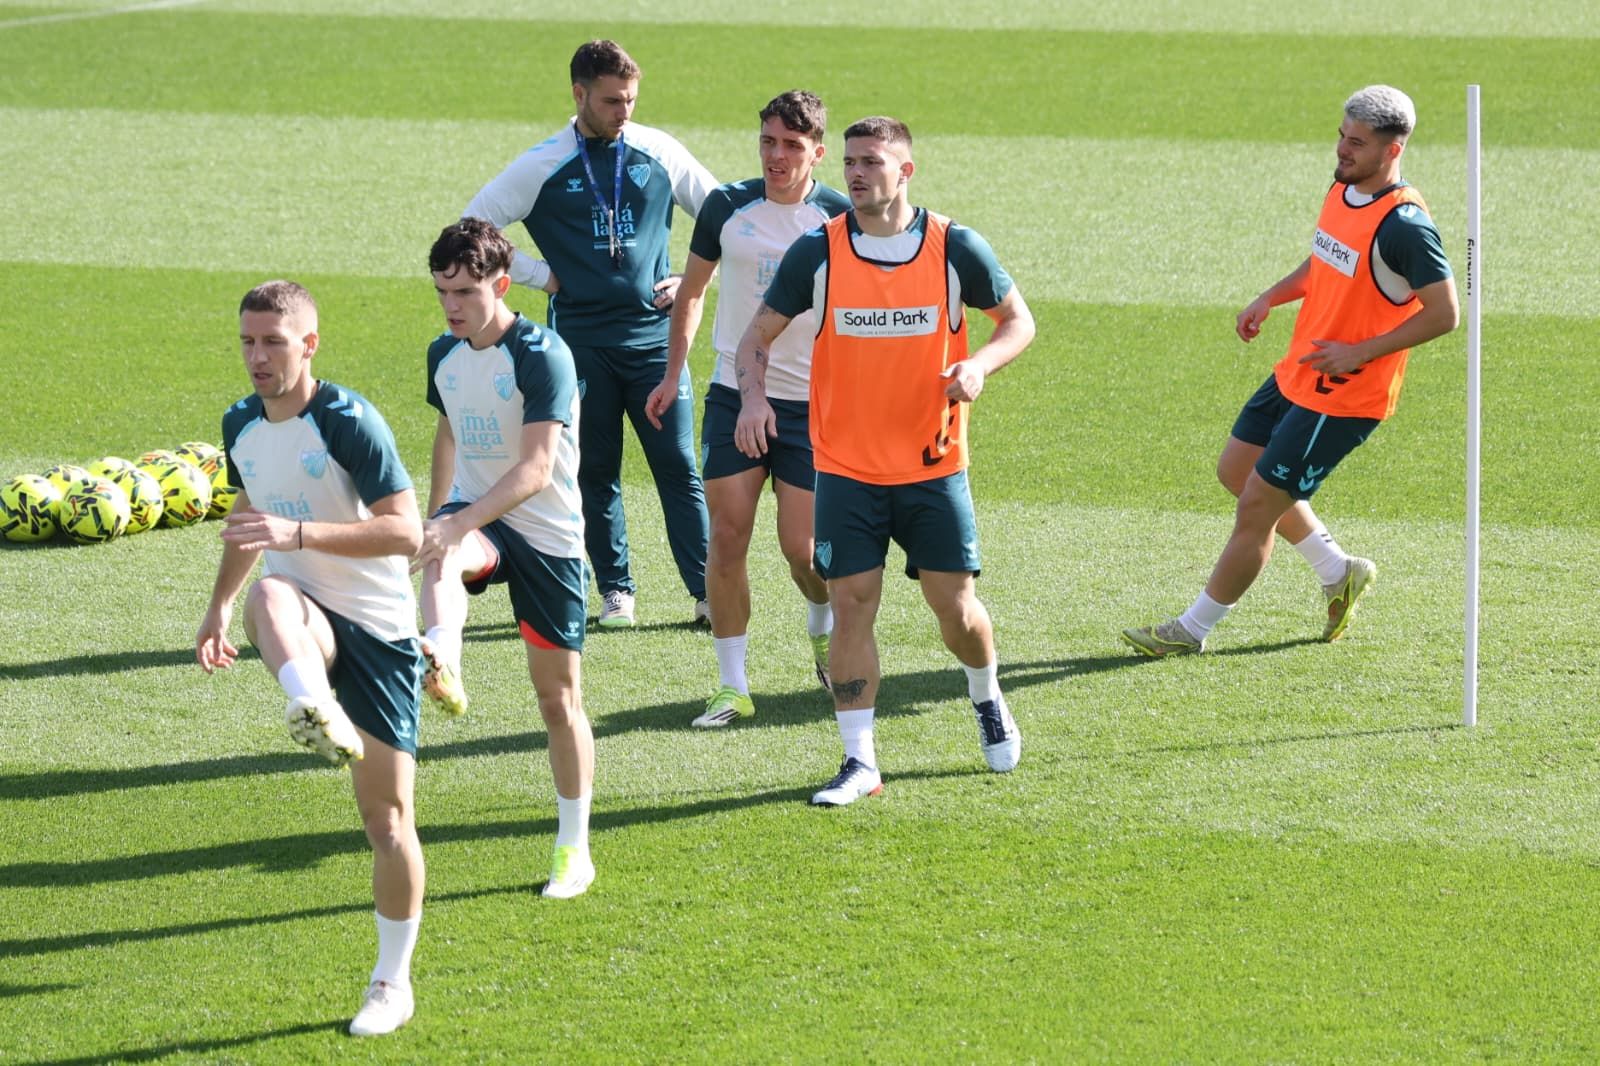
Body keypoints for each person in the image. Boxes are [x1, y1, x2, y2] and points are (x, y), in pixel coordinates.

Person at [733, 116, 1035, 806]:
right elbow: (758, 335)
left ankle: (987, 696)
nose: (857, 173)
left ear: (906, 171)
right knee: (850, 603)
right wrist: (753, 401)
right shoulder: (819, 253)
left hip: (933, 467)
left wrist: (980, 365)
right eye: (849, 161)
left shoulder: (955, 247)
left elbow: (1019, 321)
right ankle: (858, 760)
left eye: (871, 160)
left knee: (954, 610)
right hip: (845, 470)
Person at [1122, 85, 1458, 657]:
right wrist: (1271, 296)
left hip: (1344, 394)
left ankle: (1191, 631)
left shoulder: (1404, 226)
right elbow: (1327, 256)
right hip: (1300, 368)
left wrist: (1361, 352)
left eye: (1358, 143)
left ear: (1392, 150)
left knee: (1257, 504)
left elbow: (1446, 313)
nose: (1343, 149)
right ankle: (1338, 570)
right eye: (1342, 135)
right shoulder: (1344, 187)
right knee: (1237, 469)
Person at [195, 281, 426, 1037]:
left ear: (309, 344)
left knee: (387, 820)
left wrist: (297, 537)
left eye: (273, 342)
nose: (257, 358)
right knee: (269, 600)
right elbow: (248, 511)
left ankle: (392, 983)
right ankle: (312, 704)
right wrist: (219, 604)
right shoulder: (239, 422)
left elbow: (404, 531)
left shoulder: (350, 420)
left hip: (380, 631)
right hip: (302, 617)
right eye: (247, 342)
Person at [464, 38, 717, 628]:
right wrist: (537, 275)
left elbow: (722, 212)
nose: (623, 111)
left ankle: (708, 593)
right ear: (579, 94)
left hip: (655, 342)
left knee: (677, 465)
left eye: (630, 99)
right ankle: (616, 590)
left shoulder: (658, 150)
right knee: (593, 467)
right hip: (578, 346)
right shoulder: (543, 163)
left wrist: (691, 277)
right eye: (610, 101)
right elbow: (472, 226)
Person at [642, 90, 851, 728]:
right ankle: (732, 686)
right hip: (735, 396)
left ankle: (822, 623)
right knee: (726, 539)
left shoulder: (840, 218)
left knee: (805, 551)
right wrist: (673, 373)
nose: (777, 156)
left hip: (813, 406)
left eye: (792, 145)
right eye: (768, 142)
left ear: (817, 152)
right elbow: (693, 291)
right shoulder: (726, 208)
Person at [416, 218, 597, 899]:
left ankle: (573, 848)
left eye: (463, 291)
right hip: (481, 521)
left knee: (558, 701)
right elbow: (447, 432)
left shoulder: (543, 354)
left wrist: (455, 518)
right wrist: (437, 516)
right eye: (441, 292)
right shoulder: (444, 353)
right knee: (443, 551)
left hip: (546, 536)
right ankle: (443, 658)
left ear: (500, 283)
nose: (451, 306)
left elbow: (536, 469)